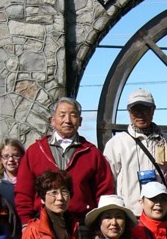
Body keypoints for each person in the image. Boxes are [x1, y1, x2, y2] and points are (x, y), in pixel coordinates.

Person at [15, 97, 115, 226]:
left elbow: (104, 193)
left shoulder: (92, 153)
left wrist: (100, 225)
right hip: (42, 224)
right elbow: (24, 191)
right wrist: (25, 223)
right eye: (62, 115)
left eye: (73, 115)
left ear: (80, 121)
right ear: (52, 120)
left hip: (81, 226)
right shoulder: (35, 152)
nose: (67, 120)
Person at [103, 88, 167, 215]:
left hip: (159, 212)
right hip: (131, 213)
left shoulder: (165, 140)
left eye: (145, 109)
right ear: (129, 112)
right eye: (136, 110)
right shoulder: (117, 143)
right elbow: (109, 182)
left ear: (153, 110)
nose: (140, 114)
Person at [0, 138, 25, 207]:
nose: (11, 159)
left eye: (15, 155)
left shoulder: (30, 180)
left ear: (22, 157)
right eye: (6, 156)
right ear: (1, 159)